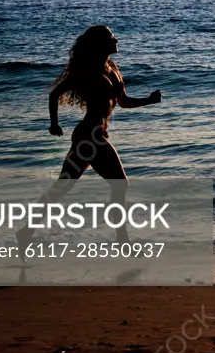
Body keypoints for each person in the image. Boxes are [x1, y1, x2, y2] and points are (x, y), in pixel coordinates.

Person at [19, 25, 162, 247]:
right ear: (100, 43)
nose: (116, 40)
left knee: (63, 187)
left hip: (97, 136)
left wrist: (148, 100)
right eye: (111, 38)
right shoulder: (85, 70)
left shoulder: (112, 67)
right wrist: (53, 124)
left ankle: (26, 232)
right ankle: (123, 242)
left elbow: (123, 102)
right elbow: (55, 93)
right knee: (119, 185)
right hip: (89, 137)